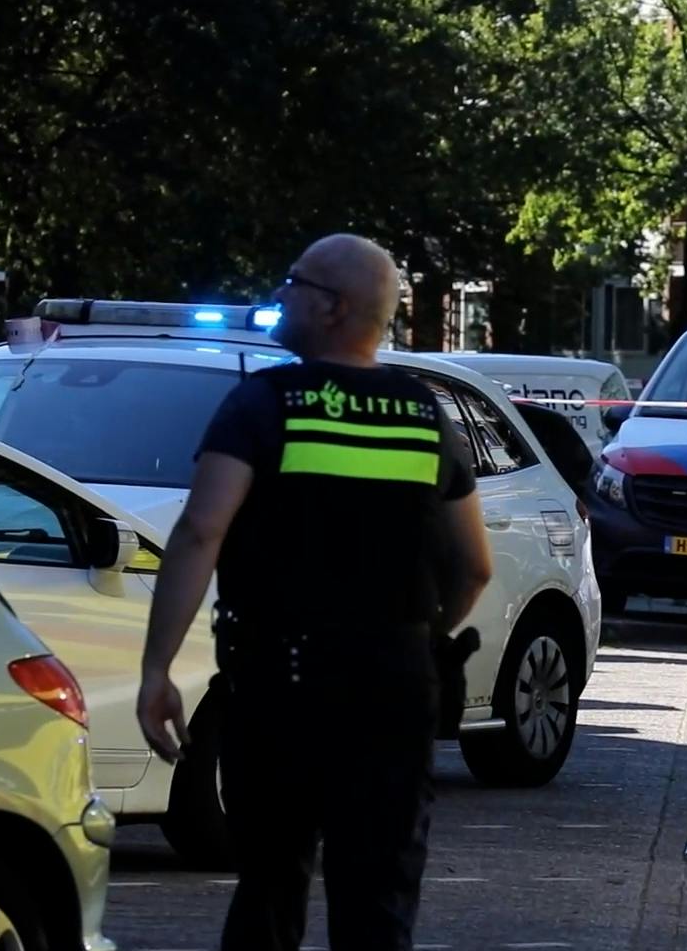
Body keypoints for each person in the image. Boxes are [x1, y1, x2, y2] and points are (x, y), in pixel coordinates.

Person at [135, 233, 493, 951]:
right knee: (378, 899)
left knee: (272, 883)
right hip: (396, 688)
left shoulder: (266, 404)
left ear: (330, 307)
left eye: (291, 283)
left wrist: (157, 670)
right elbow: (476, 567)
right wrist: (416, 639)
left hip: (283, 684)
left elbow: (201, 532)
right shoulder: (424, 414)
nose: (279, 296)